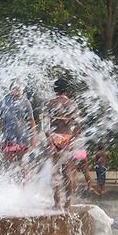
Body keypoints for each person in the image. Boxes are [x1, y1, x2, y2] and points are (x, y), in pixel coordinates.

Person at [47, 78, 81, 210]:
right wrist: (74, 140)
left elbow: (46, 126)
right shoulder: (72, 104)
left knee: (55, 172)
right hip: (68, 138)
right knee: (68, 172)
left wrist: (50, 140)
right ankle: (68, 203)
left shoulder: (51, 104)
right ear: (66, 90)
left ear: (55, 90)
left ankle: (56, 203)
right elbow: (77, 125)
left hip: (55, 138)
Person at [0, 82, 37, 164]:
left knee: (23, 163)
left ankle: (25, 176)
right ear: (11, 90)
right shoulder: (3, 102)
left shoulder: (25, 102)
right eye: (16, 89)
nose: (18, 91)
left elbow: (31, 120)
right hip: (8, 137)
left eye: (19, 89)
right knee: (9, 164)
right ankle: (10, 177)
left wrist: (34, 136)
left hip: (23, 137)